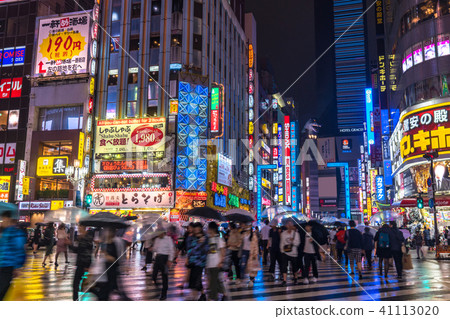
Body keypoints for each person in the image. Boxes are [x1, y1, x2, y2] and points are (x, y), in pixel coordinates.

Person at [0, 210, 26, 300]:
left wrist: (17, 267)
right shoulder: (3, 232)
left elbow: (20, 251)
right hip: (2, 265)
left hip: (8, 266)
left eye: (3, 219)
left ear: (9, 219)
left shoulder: (17, 233)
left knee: (2, 290)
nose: (2, 221)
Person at [71, 225, 93, 301]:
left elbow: (88, 252)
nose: (79, 228)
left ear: (84, 227)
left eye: (80, 227)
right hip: (80, 264)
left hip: (83, 264)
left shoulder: (87, 238)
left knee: (76, 285)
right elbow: (77, 250)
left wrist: (87, 266)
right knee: (77, 285)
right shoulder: (81, 237)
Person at [186, 222, 208, 300]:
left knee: (196, 279)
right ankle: (202, 294)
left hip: (201, 263)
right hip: (193, 262)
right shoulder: (191, 238)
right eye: (195, 228)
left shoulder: (205, 238)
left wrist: (203, 243)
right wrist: (199, 244)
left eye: (198, 228)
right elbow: (189, 251)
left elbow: (206, 250)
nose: (196, 229)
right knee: (195, 280)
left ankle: (195, 297)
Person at [152, 229, 175, 300]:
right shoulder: (157, 240)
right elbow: (155, 249)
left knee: (164, 276)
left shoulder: (168, 239)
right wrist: (152, 249)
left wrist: (170, 260)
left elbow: (171, 250)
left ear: (163, 232)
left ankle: (164, 293)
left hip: (165, 258)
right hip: (158, 258)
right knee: (154, 275)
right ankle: (158, 288)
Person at [206, 222, 226, 300]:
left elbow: (223, 250)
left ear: (212, 229)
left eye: (208, 228)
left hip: (216, 263)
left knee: (213, 281)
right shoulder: (207, 239)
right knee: (216, 280)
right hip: (209, 263)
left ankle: (213, 297)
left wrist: (221, 261)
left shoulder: (218, 239)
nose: (207, 230)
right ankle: (223, 292)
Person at [280, 221, 300, 286]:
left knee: (294, 267)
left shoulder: (296, 234)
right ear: (286, 226)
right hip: (285, 253)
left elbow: (297, 243)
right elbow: (282, 243)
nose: (289, 225)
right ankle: (284, 280)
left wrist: (293, 241)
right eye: (288, 224)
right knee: (284, 266)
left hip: (293, 253)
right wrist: (282, 251)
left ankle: (295, 278)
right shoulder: (283, 234)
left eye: (290, 224)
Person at [177, 222, 194, 289]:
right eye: (188, 228)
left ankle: (183, 284)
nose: (189, 229)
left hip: (194, 255)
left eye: (190, 228)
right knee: (189, 270)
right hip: (189, 254)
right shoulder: (187, 234)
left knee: (190, 270)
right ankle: (183, 284)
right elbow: (184, 243)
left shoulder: (196, 236)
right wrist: (178, 251)